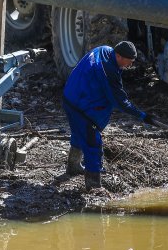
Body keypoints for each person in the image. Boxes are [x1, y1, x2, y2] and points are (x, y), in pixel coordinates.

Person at [62, 41, 154, 190]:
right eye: (128, 62)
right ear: (118, 56)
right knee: (93, 143)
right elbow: (121, 102)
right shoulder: (108, 71)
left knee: (79, 133)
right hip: (80, 106)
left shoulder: (104, 50)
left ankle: (73, 166)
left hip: (70, 97)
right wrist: (142, 116)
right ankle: (94, 186)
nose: (129, 66)